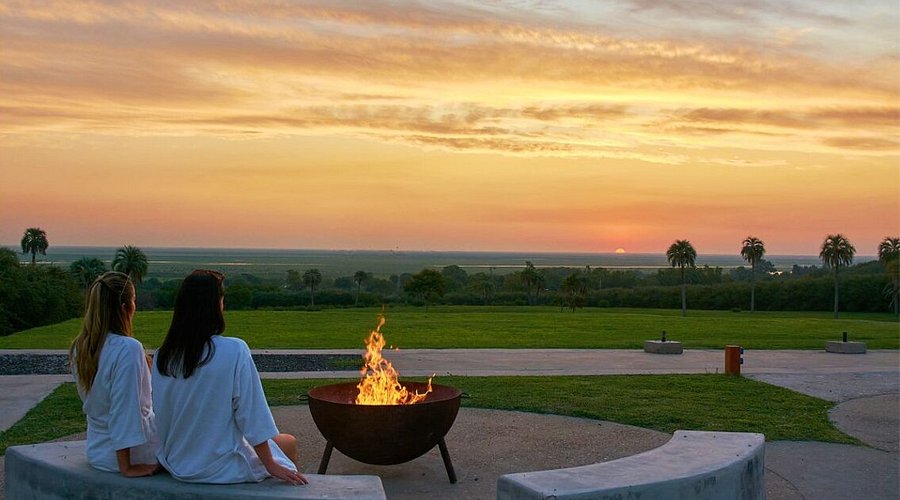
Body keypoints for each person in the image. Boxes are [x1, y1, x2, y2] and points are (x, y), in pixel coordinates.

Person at [151, 269, 307, 485]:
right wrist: (270, 464)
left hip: (178, 463)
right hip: (219, 467)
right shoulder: (234, 350)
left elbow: (162, 414)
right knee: (288, 444)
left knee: (283, 443)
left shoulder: (163, 356)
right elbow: (252, 416)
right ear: (215, 306)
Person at [69, 271, 160, 476]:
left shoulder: (80, 346)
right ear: (124, 308)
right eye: (134, 301)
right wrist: (126, 467)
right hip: (134, 453)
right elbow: (125, 410)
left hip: (97, 450)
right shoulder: (127, 349)